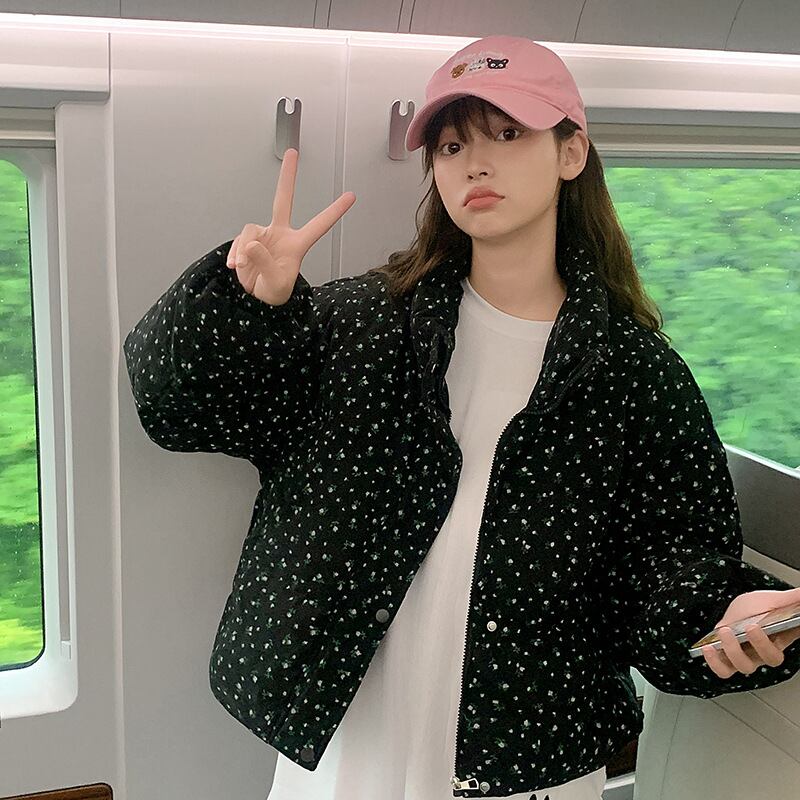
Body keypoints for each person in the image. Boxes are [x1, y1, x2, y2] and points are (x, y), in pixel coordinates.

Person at [124, 34, 800, 800]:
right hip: (347, 752)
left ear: (571, 152)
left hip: (532, 759)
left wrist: (724, 614)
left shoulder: (638, 379)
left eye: (508, 134)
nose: (475, 163)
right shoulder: (358, 328)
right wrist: (245, 305)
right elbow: (176, 412)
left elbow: (663, 570)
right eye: (451, 146)